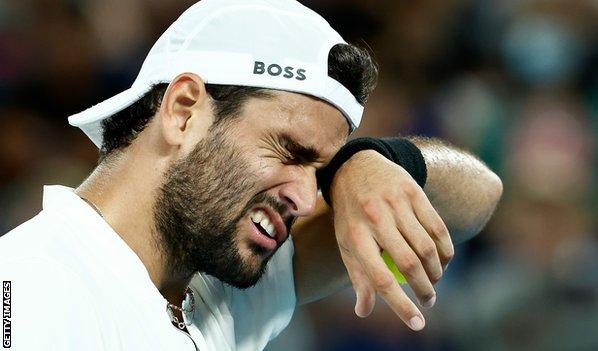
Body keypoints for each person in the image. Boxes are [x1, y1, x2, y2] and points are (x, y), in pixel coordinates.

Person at [0, 0, 502, 350]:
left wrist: (370, 163)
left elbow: (478, 197)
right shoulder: (28, 288)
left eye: (321, 168)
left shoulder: (219, 282)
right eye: (290, 151)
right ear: (183, 111)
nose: (308, 198)